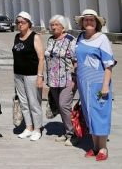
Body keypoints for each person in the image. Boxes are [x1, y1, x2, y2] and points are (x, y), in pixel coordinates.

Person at [74, 9, 116, 161]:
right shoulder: (80, 37)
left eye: (92, 19)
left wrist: (105, 86)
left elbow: (109, 65)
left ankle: (103, 147)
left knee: (101, 114)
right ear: (82, 23)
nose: (88, 22)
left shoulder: (102, 39)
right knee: (89, 114)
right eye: (86, 20)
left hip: (99, 83)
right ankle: (95, 146)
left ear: (96, 22)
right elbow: (77, 57)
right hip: (83, 83)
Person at [45, 15, 78, 146]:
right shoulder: (50, 40)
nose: (53, 27)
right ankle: (67, 132)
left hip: (67, 79)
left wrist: (75, 78)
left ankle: (74, 133)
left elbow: (76, 60)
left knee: (64, 105)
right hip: (53, 80)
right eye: (52, 24)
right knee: (60, 106)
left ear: (63, 26)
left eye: (56, 24)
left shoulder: (70, 40)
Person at [12, 11, 44, 141]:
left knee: (34, 102)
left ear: (29, 23)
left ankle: (38, 129)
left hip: (32, 74)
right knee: (23, 102)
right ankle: (29, 127)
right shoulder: (16, 37)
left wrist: (40, 76)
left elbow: (41, 57)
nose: (20, 25)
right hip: (18, 74)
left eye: (23, 22)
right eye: (18, 22)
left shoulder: (34, 37)